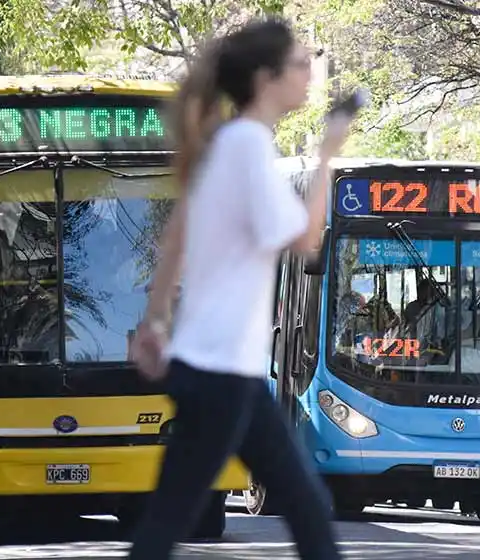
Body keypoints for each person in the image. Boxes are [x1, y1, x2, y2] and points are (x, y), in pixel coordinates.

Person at [128, 17, 352, 560]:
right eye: (300, 63)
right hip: (222, 372)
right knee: (176, 521)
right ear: (264, 77)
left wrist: (157, 320)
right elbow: (305, 239)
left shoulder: (229, 145)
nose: (308, 74)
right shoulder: (247, 146)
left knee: (302, 507)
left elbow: (177, 236)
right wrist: (326, 156)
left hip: (228, 371)